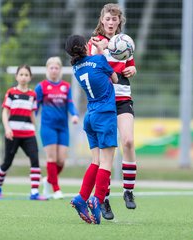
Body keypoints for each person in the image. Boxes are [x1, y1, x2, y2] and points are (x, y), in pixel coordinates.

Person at [88, 2, 137, 220]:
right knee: (107, 152)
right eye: (107, 18)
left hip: (123, 97)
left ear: (119, 21)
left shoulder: (125, 42)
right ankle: (104, 199)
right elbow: (93, 65)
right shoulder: (95, 42)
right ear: (102, 20)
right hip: (104, 101)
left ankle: (128, 190)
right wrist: (104, 50)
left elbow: (130, 65)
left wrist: (133, 68)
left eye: (114, 19)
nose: (110, 22)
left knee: (128, 141)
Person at [65, 34, 119, 224]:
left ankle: (81, 198)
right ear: (84, 46)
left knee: (96, 161)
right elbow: (115, 78)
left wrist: (96, 53)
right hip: (105, 115)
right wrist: (102, 50)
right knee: (106, 163)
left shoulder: (76, 68)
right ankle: (97, 199)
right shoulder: (99, 59)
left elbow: (92, 67)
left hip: (89, 117)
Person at [0, 65, 47, 201]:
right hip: (13, 134)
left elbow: (32, 114)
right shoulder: (11, 92)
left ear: (30, 77)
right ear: (17, 76)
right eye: (21, 74)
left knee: (35, 160)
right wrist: (7, 129)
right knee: (7, 163)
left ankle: (34, 192)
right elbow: (5, 112)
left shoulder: (32, 95)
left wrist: (35, 128)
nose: (23, 77)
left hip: (28, 134)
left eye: (26, 75)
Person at [34, 57, 79, 200]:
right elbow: (35, 107)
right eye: (51, 68)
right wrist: (30, 120)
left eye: (56, 68)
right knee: (51, 158)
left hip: (63, 128)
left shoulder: (66, 86)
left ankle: (48, 180)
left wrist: (74, 115)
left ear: (60, 70)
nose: (54, 70)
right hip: (48, 127)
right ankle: (56, 189)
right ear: (47, 70)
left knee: (61, 161)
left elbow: (70, 104)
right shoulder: (41, 87)